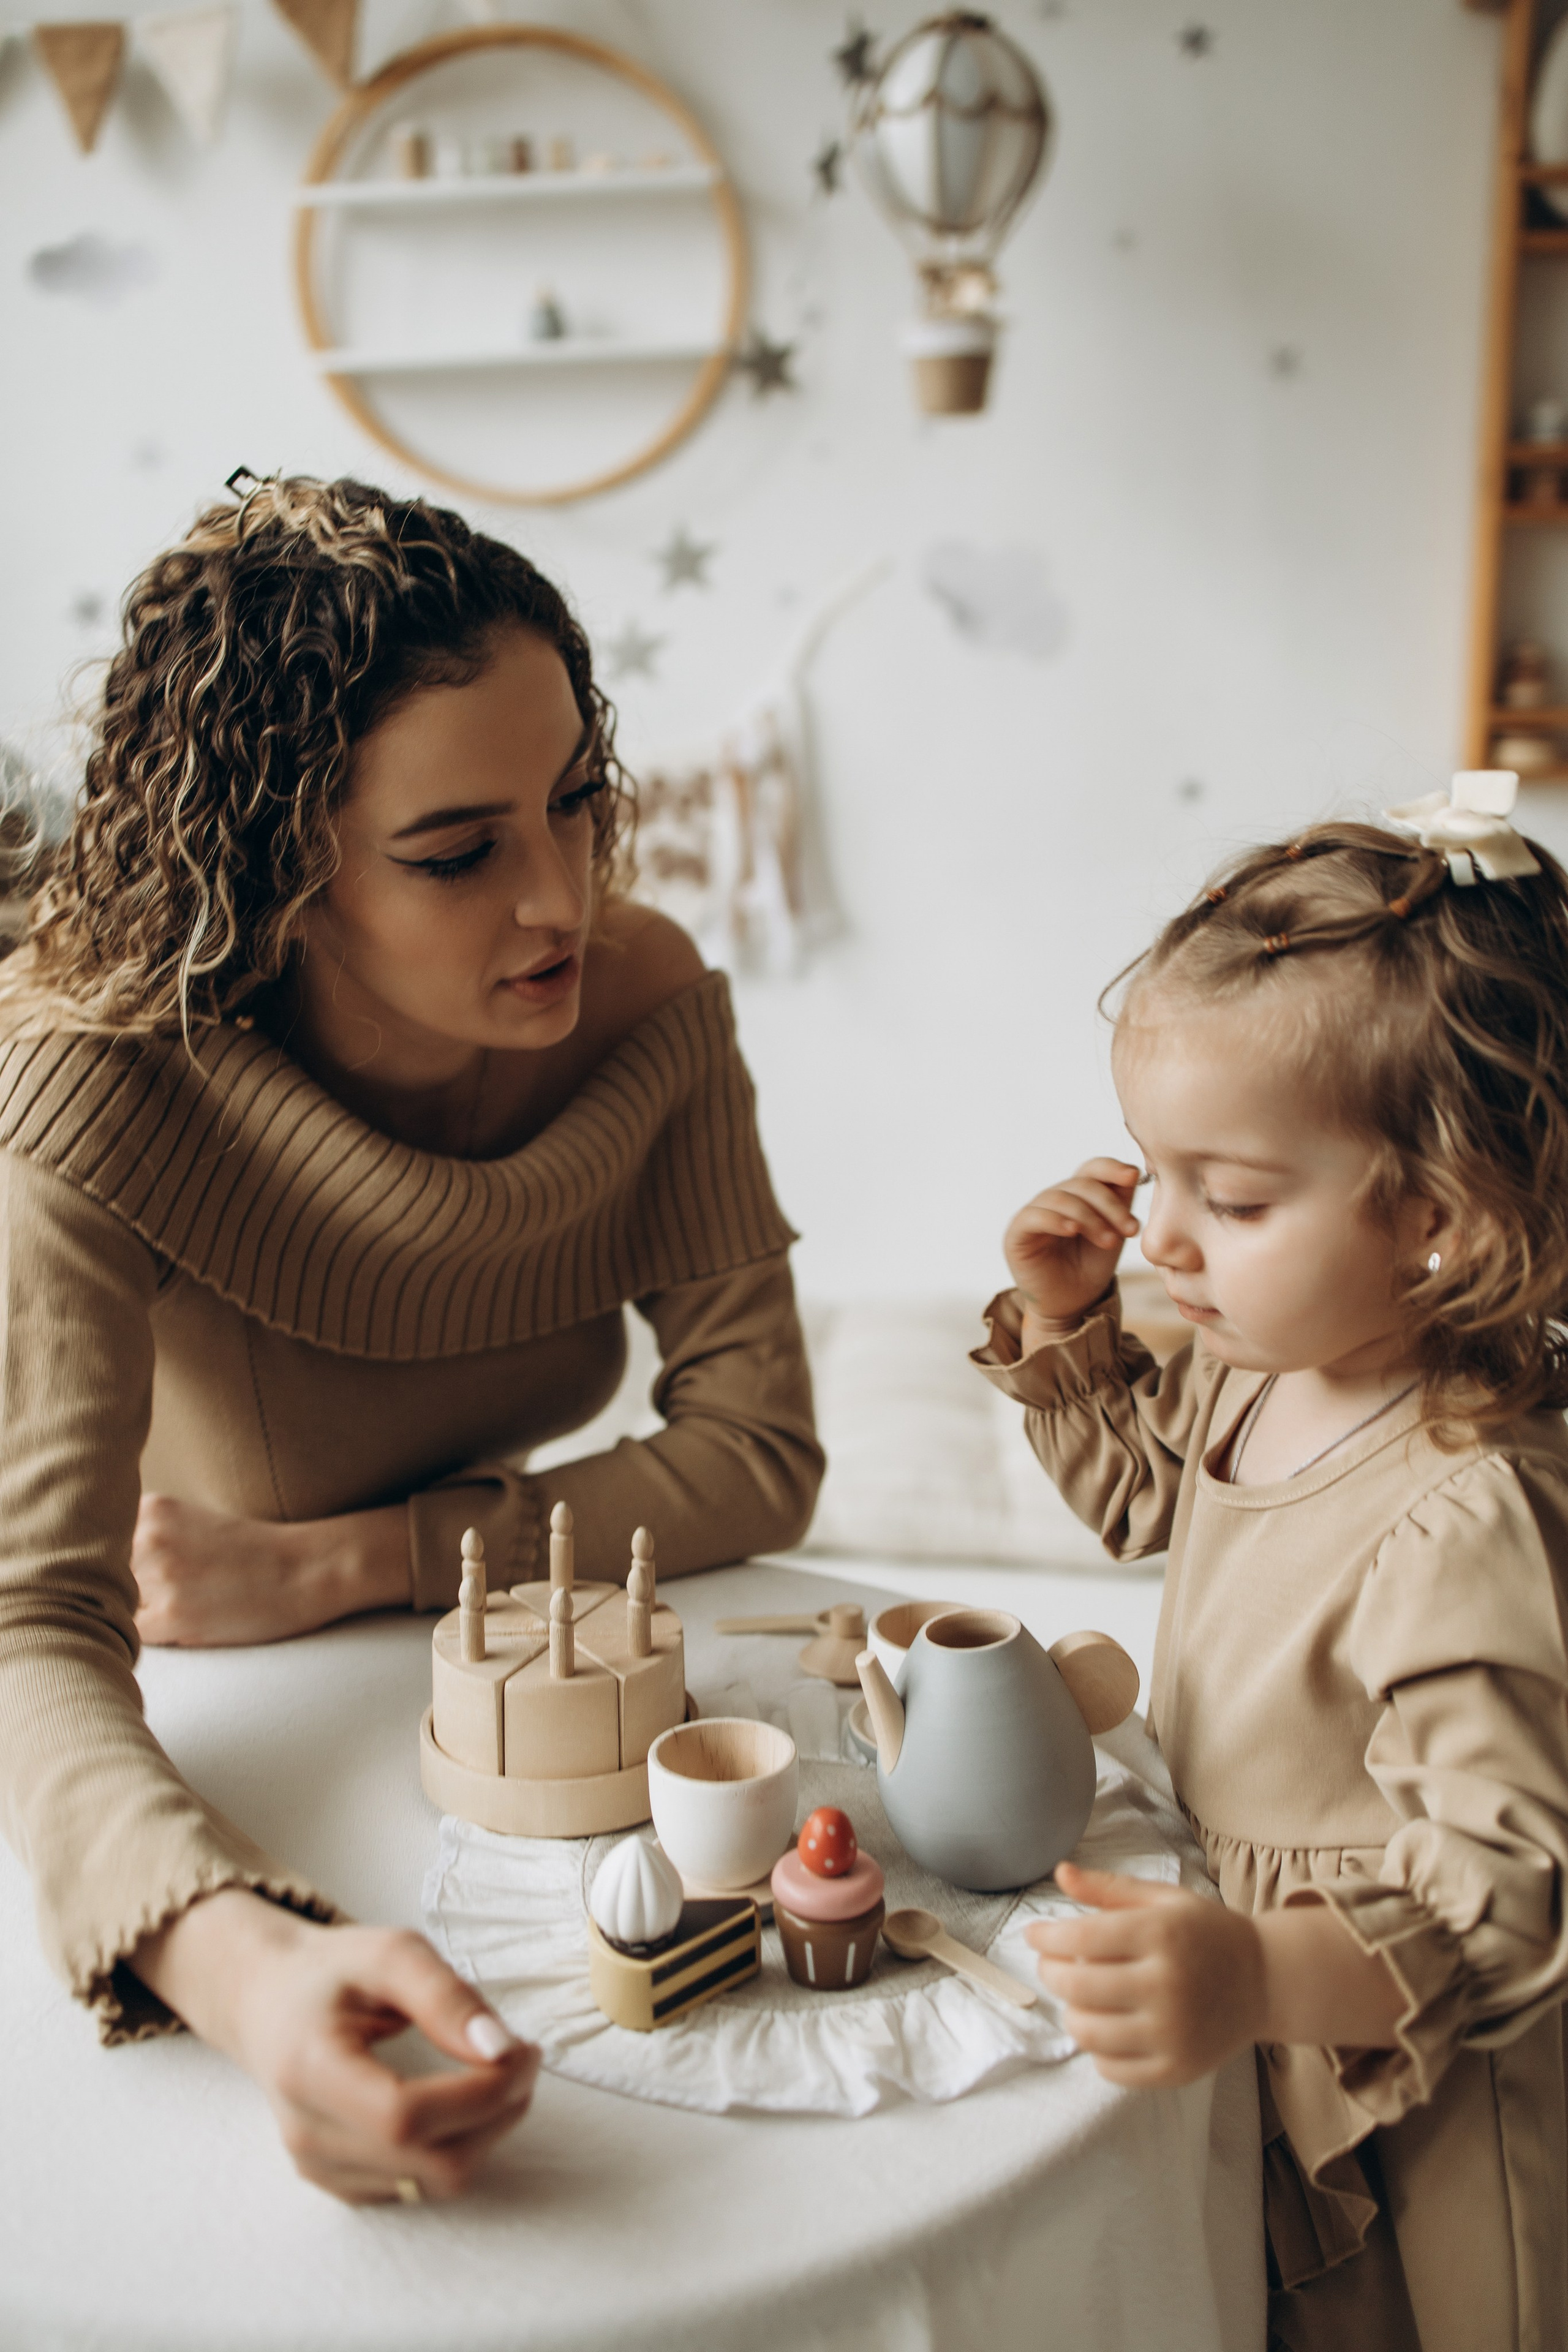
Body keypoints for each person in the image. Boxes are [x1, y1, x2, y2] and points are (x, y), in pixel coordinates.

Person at [0, 475, 823, 2205]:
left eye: (579, 804)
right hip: (220, 1697)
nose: (562, 902)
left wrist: (356, 1563)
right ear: (275, 870)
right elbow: (31, 1622)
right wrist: (247, 1967)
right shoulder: (89, 1078)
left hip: (510, 1667)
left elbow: (759, 1450)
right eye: (461, 853)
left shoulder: (649, 1005)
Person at [978, 802, 1568, 2349]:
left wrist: (1262, 1972)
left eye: (1230, 1201)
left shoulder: (1461, 1510)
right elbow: (1134, 1502)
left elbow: (1507, 1901)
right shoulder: (1258, 1365)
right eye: (1153, 1178)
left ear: (1434, 1220)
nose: (1161, 1236)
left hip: (1414, 2066)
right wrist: (1067, 1328)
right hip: (1256, 1992)